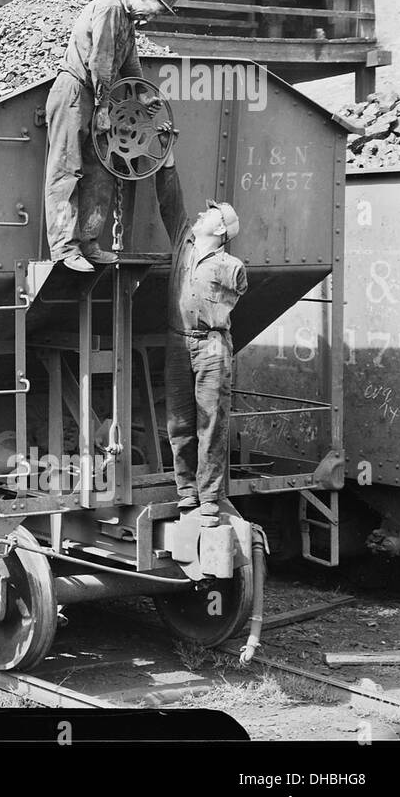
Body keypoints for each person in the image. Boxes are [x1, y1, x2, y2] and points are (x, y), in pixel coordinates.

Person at [45, 0, 179, 272]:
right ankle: (64, 249)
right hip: (74, 92)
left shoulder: (128, 20)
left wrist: (142, 95)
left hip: (95, 96)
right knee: (67, 169)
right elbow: (101, 59)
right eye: (155, 11)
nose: (152, 19)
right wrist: (103, 107)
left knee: (100, 170)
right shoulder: (109, 7)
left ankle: (89, 243)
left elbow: (129, 62)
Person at [153, 137, 247, 526]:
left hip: (211, 345)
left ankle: (209, 497)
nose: (200, 214)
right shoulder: (184, 243)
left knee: (211, 422)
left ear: (221, 228)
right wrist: (166, 157)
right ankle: (186, 492)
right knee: (179, 422)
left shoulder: (231, 267)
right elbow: (170, 201)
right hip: (178, 341)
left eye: (209, 213)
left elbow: (229, 300)